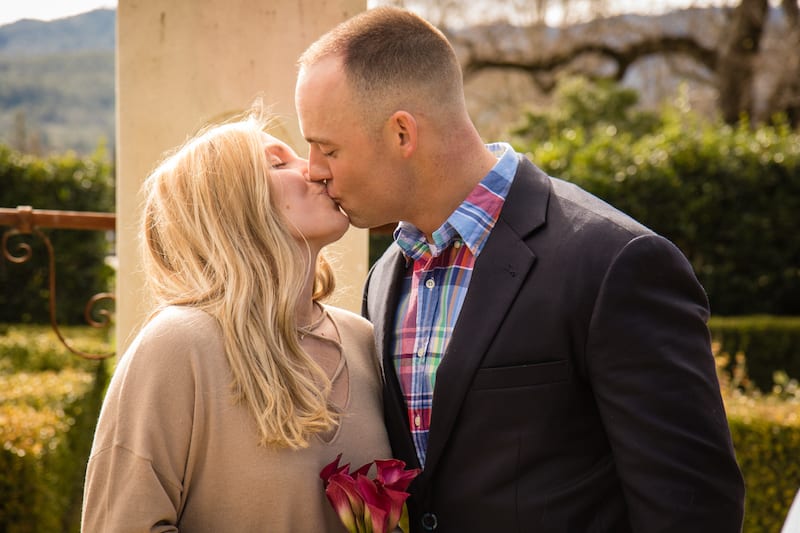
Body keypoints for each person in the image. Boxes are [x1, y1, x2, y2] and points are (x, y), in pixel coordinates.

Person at [295, 7, 745, 532]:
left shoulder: (616, 263)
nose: (313, 170)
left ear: (401, 134)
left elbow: (693, 508)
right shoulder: (385, 277)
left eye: (327, 148)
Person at [81, 107, 391, 532]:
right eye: (280, 163)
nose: (317, 169)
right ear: (231, 207)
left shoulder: (363, 338)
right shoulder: (177, 345)